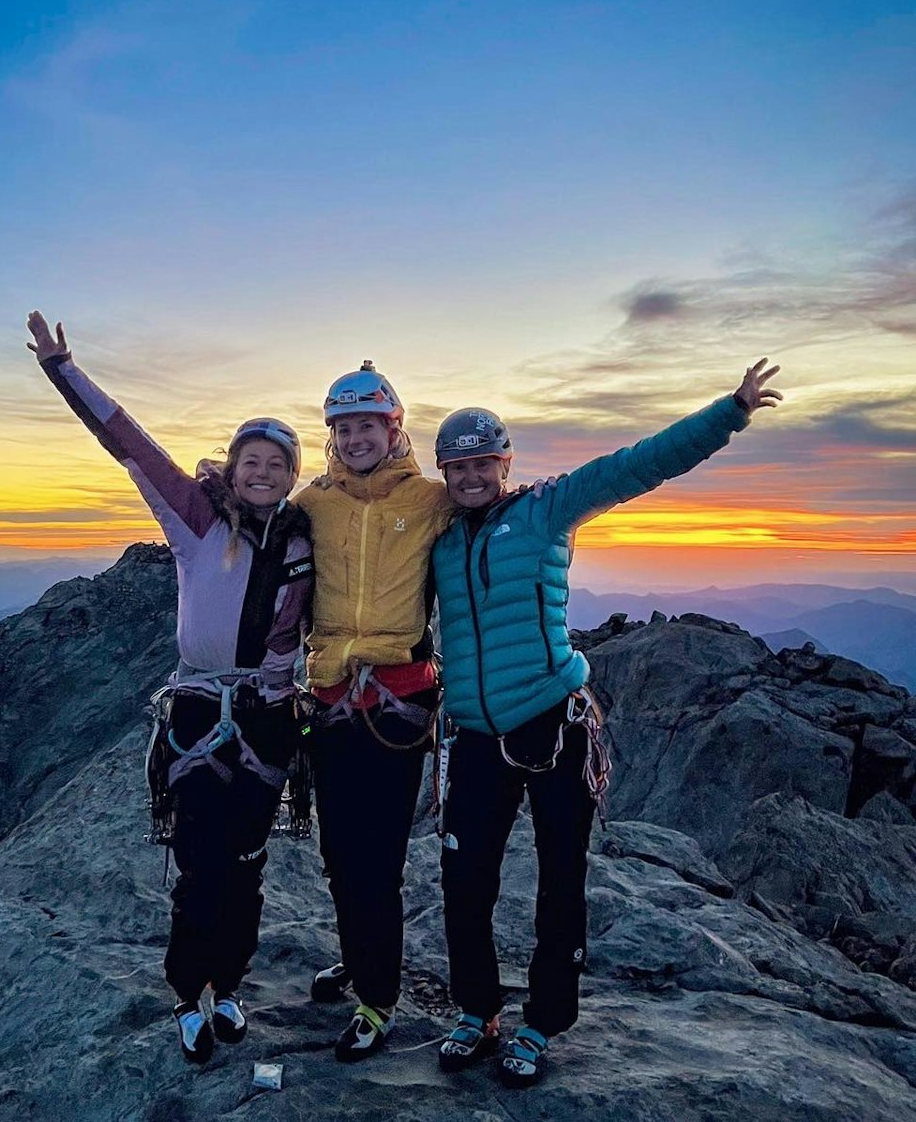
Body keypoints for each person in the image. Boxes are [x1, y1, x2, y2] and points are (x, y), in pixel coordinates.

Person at [430, 360, 783, 1088]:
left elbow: (638, 465)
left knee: (562, 880)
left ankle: (541, 1022)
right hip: (473, 736)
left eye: (482, 464)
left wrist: (730, 412)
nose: (470, 477)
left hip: (555, 726)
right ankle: (477, 1010)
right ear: (443, 471)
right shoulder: (438, 541)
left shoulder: (548, 509)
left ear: (506, 464)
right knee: (465, 880)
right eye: (456, 467)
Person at [25, 311, 314, 1066]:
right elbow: (129, 442)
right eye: (252, 461)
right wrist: (64, 370)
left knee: (247, 865)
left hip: (268, 715)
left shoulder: (305, 538)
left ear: (291, 476)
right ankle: (191, 994)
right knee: (199, 864)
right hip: (199, 714)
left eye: (276, 466)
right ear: (234, 464)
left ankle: (231, 985)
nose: (262, 473)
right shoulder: (194, 518)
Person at [294, 360, 455, 1061]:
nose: (356, 437)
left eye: (369, 424)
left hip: (397, 705)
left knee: (377, 857)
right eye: (343, 427)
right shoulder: (313, 503)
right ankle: (359, 959)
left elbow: (490, 507)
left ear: (395, 429)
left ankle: (377, 998)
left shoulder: (430, 500)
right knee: (337, 852)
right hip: (330, 699)